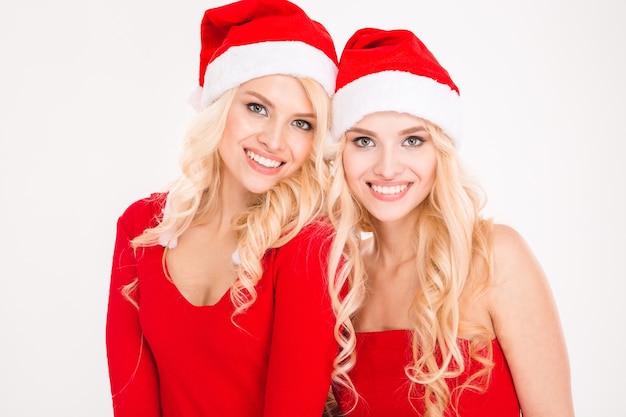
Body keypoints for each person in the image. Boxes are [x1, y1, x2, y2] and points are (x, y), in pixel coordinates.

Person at [105, 1, 340, 416]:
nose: (274, 139)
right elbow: (132, 401)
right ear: (219, 106)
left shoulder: (307, 246)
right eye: (257, 107)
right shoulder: (141, 227)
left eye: (301, 123)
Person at [325, 28, 575, 416]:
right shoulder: (341, 281)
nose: (388, 167)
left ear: (440, 151)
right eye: (364, 141)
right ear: (340, 153)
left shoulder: (494, 257)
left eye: (412, 140)